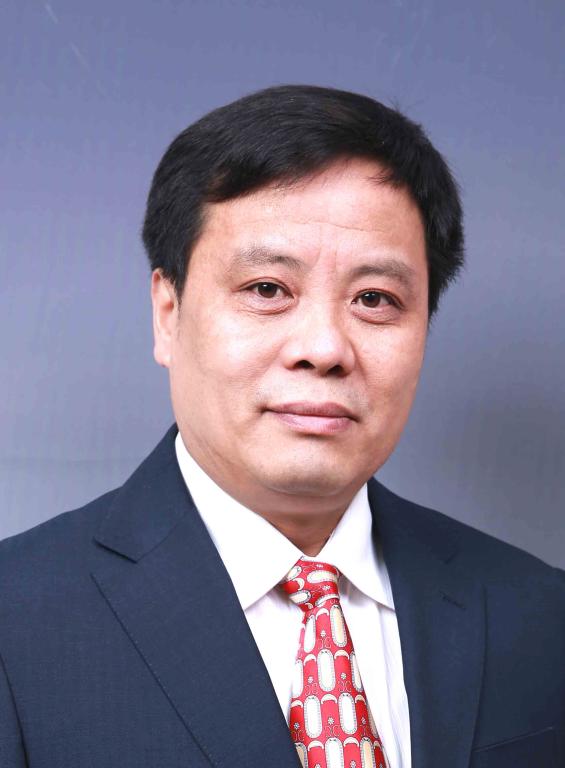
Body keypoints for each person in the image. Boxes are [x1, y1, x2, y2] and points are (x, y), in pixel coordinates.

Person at [0, 85, 563, 768]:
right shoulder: (17, 621)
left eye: (375, 298)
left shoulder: (537, 614)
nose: (323, 348)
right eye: (267, 289)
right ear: (168, 313)